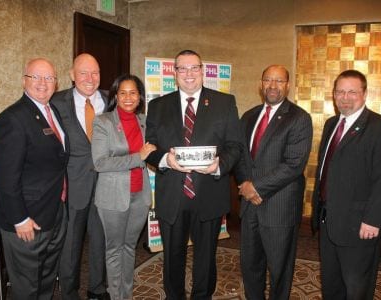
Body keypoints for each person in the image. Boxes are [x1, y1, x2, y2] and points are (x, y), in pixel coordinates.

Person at [145, 49, 242, 299]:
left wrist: (219, 164)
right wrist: (166, 159)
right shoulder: (157, 106)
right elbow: (150, 147)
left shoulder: (224, 102)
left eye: (194, 68)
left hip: (209, 194)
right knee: (172, 260)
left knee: (206, 259)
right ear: (174, 73)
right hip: (172, 197)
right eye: (182, 68)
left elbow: (235, 145)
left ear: (202, 70)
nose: (189, 74)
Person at [311, 70, 381, 299]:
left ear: (364, 94)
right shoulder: (332, 124)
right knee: (331, 286)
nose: (345, 97)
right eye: (340, 91)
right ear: (333, 94)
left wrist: (373, 219)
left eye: (352, 92)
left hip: (360, 227)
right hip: (329, 221)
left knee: (356, 289)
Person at [0, 58, 68, 299]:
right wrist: (20, 218)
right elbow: (5, 178)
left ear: (56, 83)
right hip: (27, 220)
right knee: (26, 287)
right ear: (24, 80)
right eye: (36, 77)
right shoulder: (12, 119)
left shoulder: (51, 110)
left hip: (54, 212)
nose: (43, 83)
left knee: (45, 279)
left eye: (49, 78)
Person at [234, 65, 313, 299]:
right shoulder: (249, 116)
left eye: (279, 81)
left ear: (287, 85)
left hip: (280, 207)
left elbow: (293, 164)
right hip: (250, 207)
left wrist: (255, 187)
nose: (272, 85)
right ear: (261, 84)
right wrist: (245, 185)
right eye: (268, 80)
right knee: (250, 265)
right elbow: (239, 155)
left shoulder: (299, 118)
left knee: (279, 269)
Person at [91, 74, 156, 300]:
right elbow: (100, 163)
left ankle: (125, 295)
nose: (128, 97)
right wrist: (137, 157)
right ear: (115, 96)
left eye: (133, 93)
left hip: (140, 195)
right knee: (114, 249)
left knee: (129, 248)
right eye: (123, 93)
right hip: (112, 198)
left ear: (140, 97)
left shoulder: (145, 122)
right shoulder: (103, 122)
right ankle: (115, 295)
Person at [51, 53, 109, 300]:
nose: (90, 78)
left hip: (107, 184)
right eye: (83, 72)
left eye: (95, 72)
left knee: (102, 239)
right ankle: (70, 292)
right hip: (73, 184)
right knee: (70, 244)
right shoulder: (55, 102)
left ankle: (97, 288)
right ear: (72, 75)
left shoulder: (112, 100)